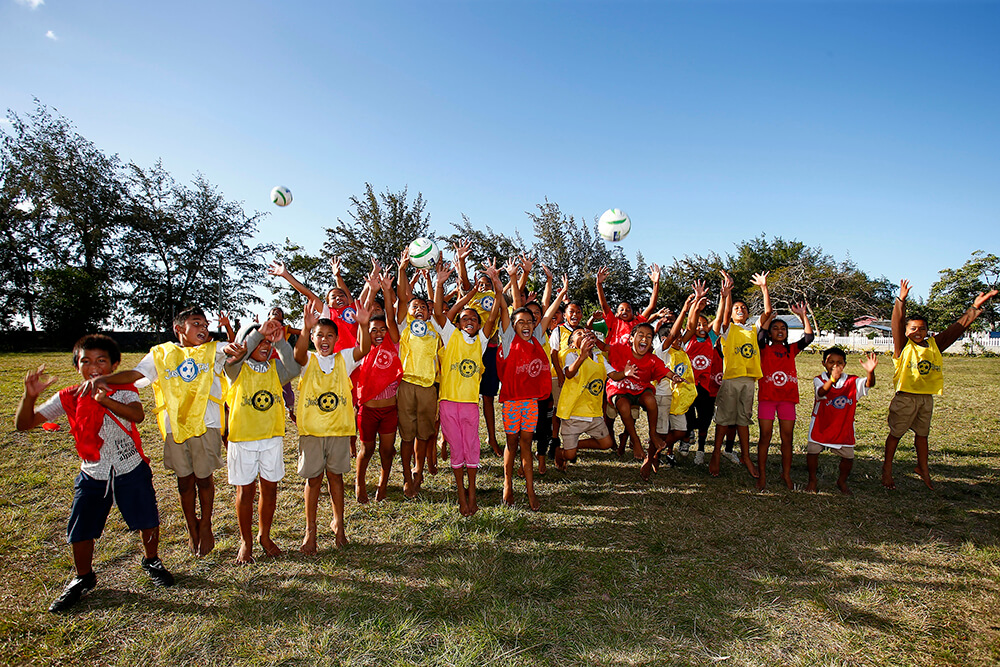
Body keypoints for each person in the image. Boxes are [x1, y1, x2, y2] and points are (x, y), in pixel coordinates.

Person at [16, 335, 174, 612]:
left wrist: (105, 400)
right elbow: (25, 423)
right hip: (93, 471)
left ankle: (152, 560)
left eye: (101, 360)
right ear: (77, 366)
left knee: (147, 518)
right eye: (85, 361)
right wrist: (29, 396)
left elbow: (137, 416)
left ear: (114, 364)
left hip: (130, 465)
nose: (94, 366)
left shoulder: (123, 389)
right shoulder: (69, 396)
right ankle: (83, 576)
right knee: (81, 529)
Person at [79, 307, 228, 556]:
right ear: (178, 328)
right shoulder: (160, 354)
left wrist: (245, 341)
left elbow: (238, 349)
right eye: (196, 323)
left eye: (205, 324)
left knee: (204, 478)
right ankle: (192, 528)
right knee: (184, 481)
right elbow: (136, 374)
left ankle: (206, 526)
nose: (203, 328)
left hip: (207, 424)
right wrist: (105, 379)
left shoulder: (214, 350)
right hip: (175, 427)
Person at [882, 280, 997, 489]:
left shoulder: (935, 344)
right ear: (906, 331)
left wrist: (974, 308)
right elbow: (896, 324)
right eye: (913, 328)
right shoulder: (903, 346)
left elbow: (956, 329)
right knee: (895, 435)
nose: (918, 332)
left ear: (927, 330)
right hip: (905, 397)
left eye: (922, 329)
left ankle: (922, 468)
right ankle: (887, 470)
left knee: (923, 435)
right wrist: (901, 300)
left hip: (926, 398)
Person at [223, 318, 301, 564]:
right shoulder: (235, 368)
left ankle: (263, 536)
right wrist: (258, 333)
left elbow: (294, 369)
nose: (265, 346)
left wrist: (281, 344)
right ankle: (246, 541)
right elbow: (236, 359)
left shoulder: (274, 368)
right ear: (247, 343)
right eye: (261, 342)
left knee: (270, 488)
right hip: (243, 440)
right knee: (245, 491)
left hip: (271, 439)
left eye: (269, 342)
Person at [293, 305, 370, 552]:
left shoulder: (343, 359)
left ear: (337, 339)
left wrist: (364, 325)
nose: (324, 340)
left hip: (338, 431)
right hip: (313, 433)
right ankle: (310, 531)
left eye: (329, 335)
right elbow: (298, 354)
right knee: (313, 480)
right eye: (319, 335)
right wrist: (305, 329)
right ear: (313, 338)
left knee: (335, 478)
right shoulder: (308, 361)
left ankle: (339, 524)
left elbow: (364, 349)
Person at [492, 261, 566, 510]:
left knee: (526, 445)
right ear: (512, 326)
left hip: (531, 404)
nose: (526, 324)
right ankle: (508, 484)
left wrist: (561, 292)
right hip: (511, 403)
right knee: (511, 445)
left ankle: (531, 490)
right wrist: (511, 280)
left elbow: (546, 314)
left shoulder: (536, 338)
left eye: (529, 321)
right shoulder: (508, 339)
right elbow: (510, 305)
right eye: (520, 321)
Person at [433, 258, 501, 516]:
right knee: (457, 452)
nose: (470, 320)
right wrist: (442, 286)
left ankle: (473, 496)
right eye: (465, 318)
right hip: (449, 403)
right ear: (459, 323)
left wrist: (495, 284)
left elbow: (493, 315)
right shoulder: (450, 336)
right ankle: (461, 497)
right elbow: (441, 313)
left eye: (474, 317)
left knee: (472, 452)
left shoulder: (481, 341)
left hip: (471, 405)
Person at [709, 271, 771, 479]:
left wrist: (764, 288)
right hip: (730, 381)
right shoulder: (728, 330)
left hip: (749, 381)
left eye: (743, 308)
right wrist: (726, 296)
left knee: (743, 420)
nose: (740, 310)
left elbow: (768, 313)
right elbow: (723, 318)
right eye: (737, 308)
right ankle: (716, 454)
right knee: (724, 420)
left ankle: (746, 456)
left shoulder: (753, 329)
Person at [354, 268, 404, 503]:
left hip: (389, 410)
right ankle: (360, 482)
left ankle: (383, 483)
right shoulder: (362, 347)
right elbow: (362, 316)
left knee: (386, 450)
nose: (379, 333)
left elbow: (391, 318)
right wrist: (372, 291)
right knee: (366, 450)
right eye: (374, 330)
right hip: (368, 409)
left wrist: (386, 290)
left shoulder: (392, 345)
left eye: (382, 329)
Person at [395, 250, 442, 497]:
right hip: (406, 386)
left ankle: (419, 471)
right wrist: (402, 270)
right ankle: (405, 476)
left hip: (428, 388)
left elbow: (441, 360)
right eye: (416, 306)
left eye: (424, 306)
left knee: (424, 435)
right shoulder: (404, 326)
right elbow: (403, 297)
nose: (419, 309)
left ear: (429, 311)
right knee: (406, 435)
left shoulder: (435, 330)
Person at [554, 329, 635, 470]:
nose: (584, 335)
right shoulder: (571, 355)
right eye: (579, 334)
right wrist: (582, 357)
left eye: (586, 333)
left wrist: (625, 373)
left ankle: (574, 445)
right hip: (573, 413)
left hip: (593, 412)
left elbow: (614, 375)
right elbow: (569, 373)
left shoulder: (599, 358)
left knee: (606, 443)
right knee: (570, 456)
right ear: (572, 344)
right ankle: (561, 453)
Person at [755, 301, 814, 490]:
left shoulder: (791, 349)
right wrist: (769, 318)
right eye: (775, 328)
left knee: (787, 438)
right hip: (767, 399)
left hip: (787, 400)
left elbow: (808, 337)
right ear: (770, 332)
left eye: (783, 328)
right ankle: (762, 475)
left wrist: (803, 315)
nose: (779, 331)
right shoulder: (763, 349)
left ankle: (786, 474)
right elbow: (760, 336)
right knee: (765, 436)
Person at [645, 292, 702, 480]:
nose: (680, 340)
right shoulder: (662, 350)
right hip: (662, 397)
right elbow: (675, 333)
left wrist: (694, 307)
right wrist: (685, 308)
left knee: (680, 431)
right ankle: (653, 456)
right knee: (660, 430)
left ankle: (656, 451)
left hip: (678, 399)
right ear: (665, 339)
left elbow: (691, 328)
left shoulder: (681, 348)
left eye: (679, 338)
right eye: (675, 337)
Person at [806, 348, 878, 495]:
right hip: (821, 424)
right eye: (831, 362)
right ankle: (812, 480)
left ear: (844, 364)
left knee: (848, 457)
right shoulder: (819, 379)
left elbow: (869, 384)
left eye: (839, 362)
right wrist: (832, 379)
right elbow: (821, 392)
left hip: (843, 427)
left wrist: (870, 372)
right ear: (823, 363)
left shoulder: (852, 381)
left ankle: (842, 481)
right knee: (812, 452)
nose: (835, 365)